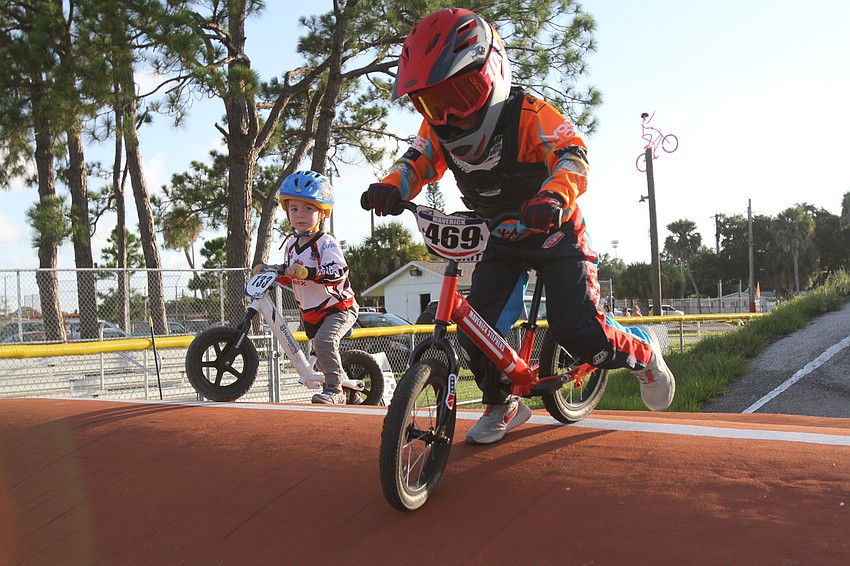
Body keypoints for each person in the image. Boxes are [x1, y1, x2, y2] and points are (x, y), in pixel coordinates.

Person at [363, 8, 675, 444]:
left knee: (580, 333)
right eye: (435, 102)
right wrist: (391, 186)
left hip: (556, 234)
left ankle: (642, 350)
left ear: (493, 73)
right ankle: (504, 403)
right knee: (475, 332)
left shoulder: (531, 114)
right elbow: (416, 162)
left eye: (463, 93)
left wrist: (553, 196)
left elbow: (573, 156)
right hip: (501, 239)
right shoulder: (436, 129)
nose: (450, 116)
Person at [254, 170, 358, 405]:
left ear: (322, 212)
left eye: (308, 208)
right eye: (294, 209)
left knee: (323, 342)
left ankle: (335, 389)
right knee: (320, 357)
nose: (300, 214)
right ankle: (352, 392)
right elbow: (291, 275)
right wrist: (272, 271)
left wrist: (308, 272)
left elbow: (338, 273)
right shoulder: (291, 245)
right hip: (311, 312)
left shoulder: (325, 242)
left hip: (338, 307)